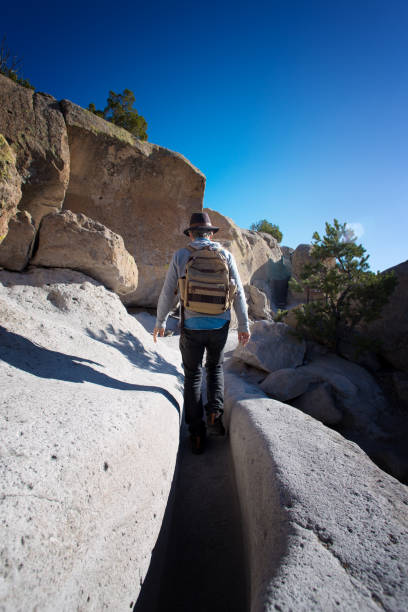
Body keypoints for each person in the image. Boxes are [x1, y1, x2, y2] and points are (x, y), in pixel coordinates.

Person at [153, 212, 250, 454]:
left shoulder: (181, 255)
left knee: (193, 375)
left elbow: (168, 293)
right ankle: (214, 415)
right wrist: (245, 326)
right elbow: (238, 294)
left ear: (191, 233)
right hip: (220, 325)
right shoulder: (226, 255)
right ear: (210, 233)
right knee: (215, 368)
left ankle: (196, 433)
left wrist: (160, 321)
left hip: (192, 326)